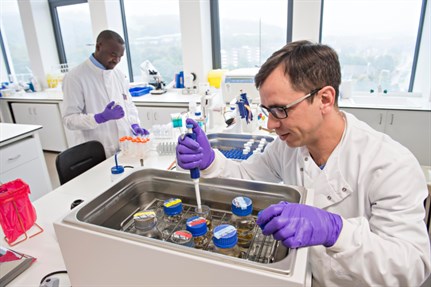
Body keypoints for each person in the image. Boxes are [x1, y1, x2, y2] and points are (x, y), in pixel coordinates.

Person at [176, 40, 431, 286]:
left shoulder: (391, 165)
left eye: (280, 110)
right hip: (302, 275)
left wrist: (336, 231)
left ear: (325, 99)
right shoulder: (287, 148)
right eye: (267, 111)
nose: (271, 125)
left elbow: (411, 268)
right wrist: (210, 162)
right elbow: (247, 176)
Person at [62, 30, 148, 158]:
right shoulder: (75, 77)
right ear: (98, 47)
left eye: (120, 56)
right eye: (113, 54)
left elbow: (128, 104)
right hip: (96, 151)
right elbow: (69, 120)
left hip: (124, 147)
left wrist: (134, 123)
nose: (117, 60)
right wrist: (99, 117)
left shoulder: (118, 74)